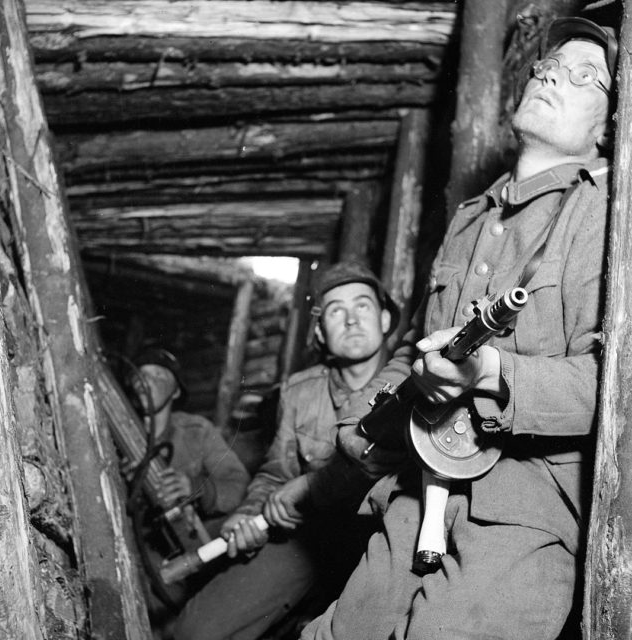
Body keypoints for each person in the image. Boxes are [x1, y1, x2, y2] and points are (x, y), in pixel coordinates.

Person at [299, 16, 617, 640]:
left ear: (607, 129)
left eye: (586, 77)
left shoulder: (605, 221)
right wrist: (362, 421)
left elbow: (613, 392)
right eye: (547, 68)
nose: (553, 76)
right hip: (416, 494)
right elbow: (414, 345)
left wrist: (491, 373)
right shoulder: (472, 219)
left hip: (522, 514)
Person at [173, 261, 402, 640]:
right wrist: (247, 516)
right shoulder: (299, 391)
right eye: (335, 311)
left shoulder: (411, 388)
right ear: (320, 332)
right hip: (308, 538)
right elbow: (275, 473)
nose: (350, 320)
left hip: (384, 541)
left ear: (383, 320)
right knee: (197, 630)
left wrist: (312, 486)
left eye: (362, 306)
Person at [128, 348, 250, 536]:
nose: (146, 381)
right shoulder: (114, 433)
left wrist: (195, 488)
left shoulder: (197, 431)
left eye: (158, 375)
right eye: (141, 375)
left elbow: (238, 486)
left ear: (176, 391)